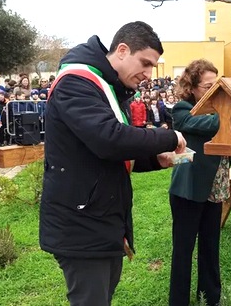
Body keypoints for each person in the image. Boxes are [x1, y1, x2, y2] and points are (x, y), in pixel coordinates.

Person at [39, 21, 187, 306]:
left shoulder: (108, 87)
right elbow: (109, 139)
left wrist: (155, 160)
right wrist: (168, 137)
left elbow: (107, 154)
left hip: (100, 220)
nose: (147, 74)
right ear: (122, 50)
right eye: (145, 63)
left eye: (152, 66)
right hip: (81, 224)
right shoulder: (77, 82)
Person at [168, 59, 231, 306]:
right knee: (183, 251)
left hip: (216, 190)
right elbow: (203, 125)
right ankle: (178, 301)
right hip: (188, 191)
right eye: (207, 87)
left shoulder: (221, 110)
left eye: (217, 86)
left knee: (210, 246)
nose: (213, 91)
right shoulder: (183, 109)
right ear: (191, 87)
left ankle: (210, 297)